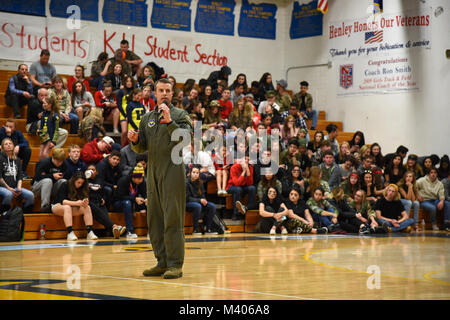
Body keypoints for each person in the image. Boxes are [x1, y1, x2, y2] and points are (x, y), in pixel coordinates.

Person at [128, 77, 192, 279]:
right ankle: (161, 261)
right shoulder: (147, 118)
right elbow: (142, 146)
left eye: (168, 90)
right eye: (160, 90)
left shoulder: (180, 115)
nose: (164, 93)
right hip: (153, 172)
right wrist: (136, 140)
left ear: (173, 94)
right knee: (154, 219)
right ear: (154, 93)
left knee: (172, 218)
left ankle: (175, 264)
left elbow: (187, 138)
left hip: (173, 171)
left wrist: (170, 122)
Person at [51, 171, 98, 241]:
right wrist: (76, 203)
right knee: (67, 207)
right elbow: (62, 201)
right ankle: (70, 232)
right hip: (57, 206)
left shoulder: (83, 188)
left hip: (72, 208)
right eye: (78, 182)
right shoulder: (65, 184)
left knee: (87, 207)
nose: (80, 185)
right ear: (73, 180)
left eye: (82, 183)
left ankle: (90, 231)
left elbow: (83, 201)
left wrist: (85, 202)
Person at [85, 164, 126, 238]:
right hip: (89, 201)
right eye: (89, 169)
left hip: (99, 200)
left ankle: (113, 229)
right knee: (97, 210)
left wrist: (103, 198)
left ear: (96, 172)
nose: (91, 171)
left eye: (93, 169)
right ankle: (115, 226)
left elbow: (103, 190)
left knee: (103, 211)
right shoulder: (84, 180)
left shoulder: (99, 179)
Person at [0, 138, 34, 212]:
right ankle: (4, 214)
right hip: (2, 187)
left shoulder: (17, 160)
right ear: (2, 147)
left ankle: (25, 214)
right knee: (8, 194)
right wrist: (9, 188)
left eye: (10, 143)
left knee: (30, 195)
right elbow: (0, 178)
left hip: (14, 187)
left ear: (13, 146)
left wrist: (18, 188)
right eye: (6, 144)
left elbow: (19, 176)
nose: (8, 145)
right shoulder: (0, 158)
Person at [114, 164, 147, 239]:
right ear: (133, 177)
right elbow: (119, 196)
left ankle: (151, 230)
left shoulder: (141, 182)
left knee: (149, 202)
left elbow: (144, 194)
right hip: (119, 203)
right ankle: (130, 231)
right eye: (139, 178)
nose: (141, 180)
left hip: (133, 202)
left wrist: (146, 200)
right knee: (127, 202)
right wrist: (134, 199)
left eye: (142, 178)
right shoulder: (123, 181)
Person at [31, 148, 67, 212]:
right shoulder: (43, 162)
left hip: (52, 187)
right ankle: (45, 206)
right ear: (53, 157)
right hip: (37, 186)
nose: (59, 163)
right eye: (57, 161)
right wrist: (52, 176)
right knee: (48, 181)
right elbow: (37, 177)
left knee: (64, 182)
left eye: (61, 161)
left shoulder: (64, 164)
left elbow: (66, 176)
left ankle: (58, 204)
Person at [185, 165, 218, 235]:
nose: (195, 174)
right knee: (197, 206)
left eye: (197, 173)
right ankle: (195, 229)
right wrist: (200, 200)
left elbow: (202, 195)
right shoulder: (186, 183)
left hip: (198, 203)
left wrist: (204, 200)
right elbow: (187, 198)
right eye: (193, 172)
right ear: (190, 173)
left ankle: (208, 228)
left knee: (212, 206)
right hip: (187, 203)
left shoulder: (200, 182)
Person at [226, 153, 257, 220]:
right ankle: (236, 214)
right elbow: (237, 183)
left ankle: (248, 210)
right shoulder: (234, 167)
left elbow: (250, 183)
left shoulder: (250, 167)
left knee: (252, 188)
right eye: (245, 159)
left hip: (243, 186)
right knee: (238, 189)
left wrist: (248, 172)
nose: (246, 161)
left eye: (248, 160)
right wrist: (244, 172)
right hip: (232, 186)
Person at [38, 95, 67, 160]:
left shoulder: (55, 115)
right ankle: (40, 168)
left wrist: (53, 142)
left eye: (44, 103)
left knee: (45, 154)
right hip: (44, 137)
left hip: (50, 138)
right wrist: (39, 131)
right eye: (43, 103)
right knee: (40, 154)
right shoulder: (43, 114)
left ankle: (47, 167)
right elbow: (42, 126)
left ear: (50, 105)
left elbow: (56, 130)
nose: (43, 105)